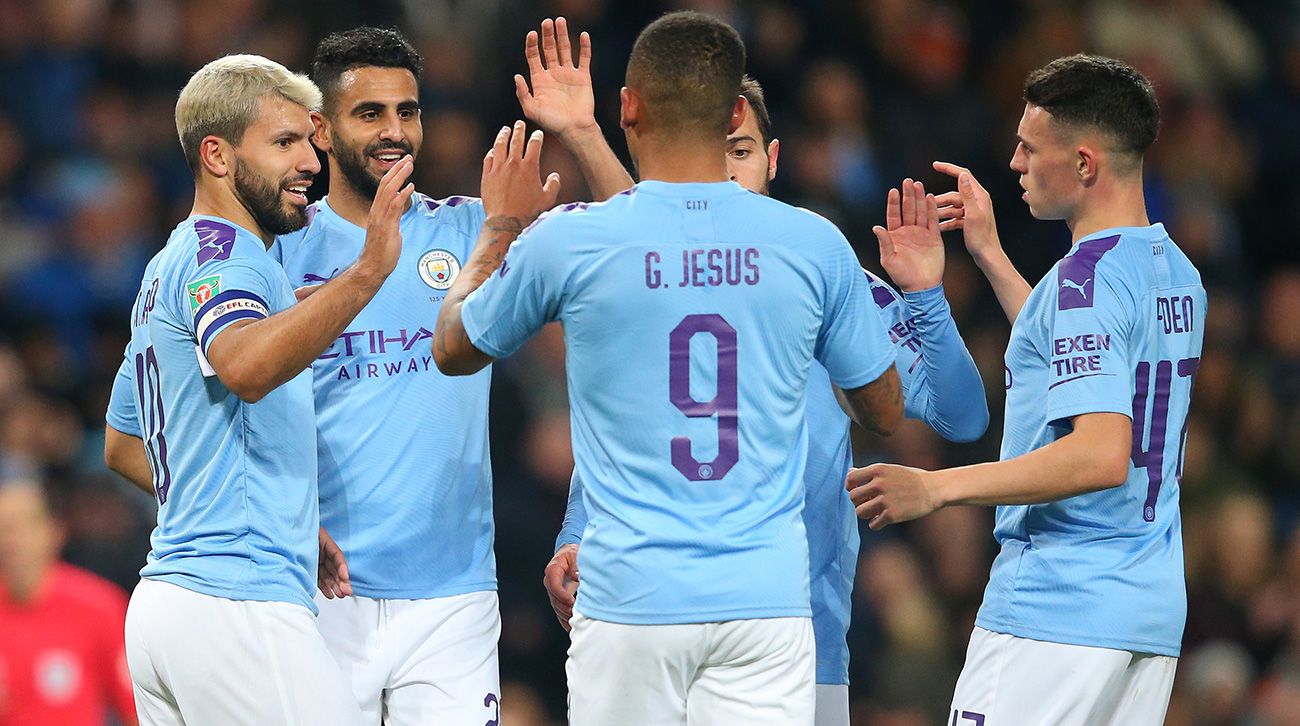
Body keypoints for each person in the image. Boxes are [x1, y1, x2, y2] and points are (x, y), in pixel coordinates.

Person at [434, 11, 904, 725]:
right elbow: (886, 411)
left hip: (631, 598)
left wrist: (498, 227)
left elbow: (454, 347)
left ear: (628, 107)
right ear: (736, 112)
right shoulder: (813, 244)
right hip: (765, 604)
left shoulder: (574, 241)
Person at [522, 48, 990, 725]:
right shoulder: (650, 283)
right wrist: (574, 536)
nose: (723, 175)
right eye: (709, 154)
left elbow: (961, 415)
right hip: (656, 621)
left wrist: (924, 298)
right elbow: (622, 435)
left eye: (739, 151)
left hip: (801, 637)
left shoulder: (827, 279)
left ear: (773, 159)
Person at [848, 54, 1206, 724]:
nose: (1014, 162)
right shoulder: (1171, 269)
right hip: (1144, 613)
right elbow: (1069, 355)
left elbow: (1100, 454)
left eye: (1029, 147)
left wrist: (937, 487)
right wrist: (987, 252)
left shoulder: (1084, 282)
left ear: (1085, 164)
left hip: (1057, 605)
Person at [102, 53, 413, 725]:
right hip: (235, 605)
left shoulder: (170, 264)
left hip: (170, 611)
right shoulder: (228, 255)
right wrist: (368, 272)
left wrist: (281, 511)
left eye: (309, 140)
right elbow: (243, 366)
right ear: (216, 155)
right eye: (284, 142)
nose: (310, 161)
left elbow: (124, 443)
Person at [0, 475, 136, 726]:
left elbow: (135, 711)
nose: (9, 541)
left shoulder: (99, 607)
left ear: (55, 531)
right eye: (3, 528)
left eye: (20, 525)